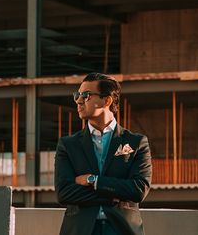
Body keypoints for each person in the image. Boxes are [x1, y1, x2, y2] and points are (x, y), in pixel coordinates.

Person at [54, 72, 152, 235]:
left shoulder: (136, 142)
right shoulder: (68, 145)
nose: (78, 101)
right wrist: (113, 195)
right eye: (77, 95)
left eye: (86, 96)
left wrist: (94, 181)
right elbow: (64, 193)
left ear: (107, 100)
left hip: (121, 229)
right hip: (81, 230)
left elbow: (138, 190)